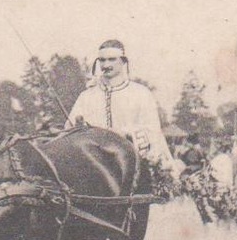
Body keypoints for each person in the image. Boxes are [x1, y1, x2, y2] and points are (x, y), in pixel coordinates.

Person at [67, 39, 178, 169]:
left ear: (123, 61)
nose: (106, 64)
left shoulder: (141, 93)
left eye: (112, 59)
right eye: (102, 60)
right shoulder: (86, 96)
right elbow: (69, 129)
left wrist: (122, 133)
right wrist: (78, 129)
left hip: (134, 163)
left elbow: (152, 131)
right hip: (94, 167)